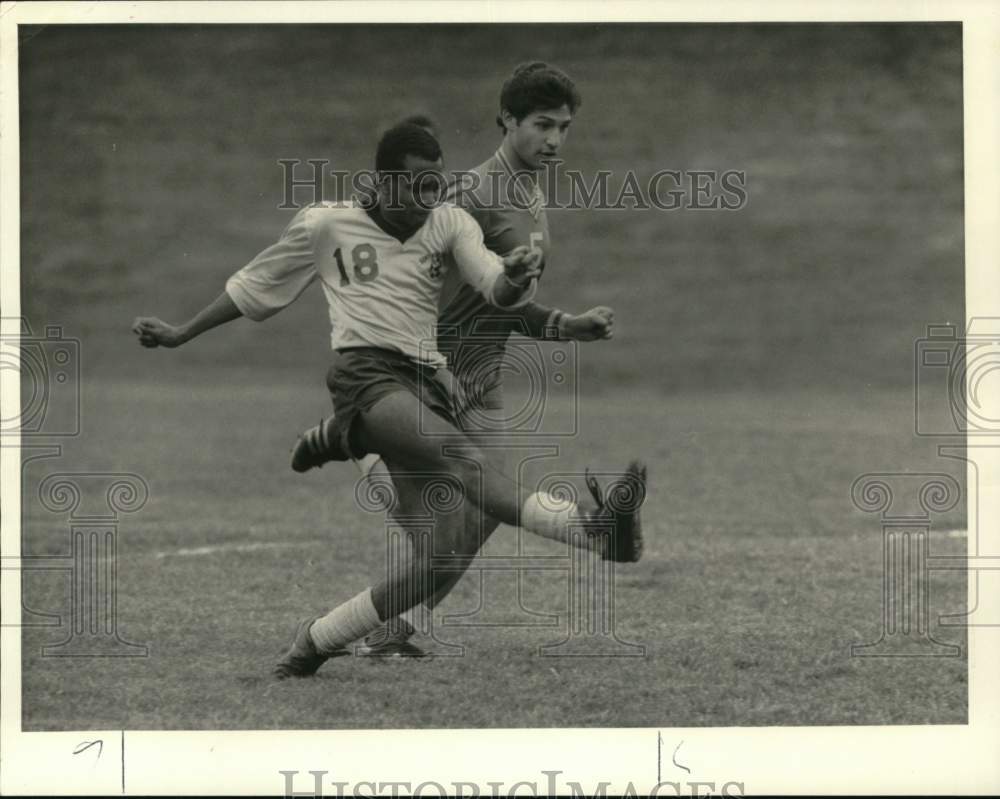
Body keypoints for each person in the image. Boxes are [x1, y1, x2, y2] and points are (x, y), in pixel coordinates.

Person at [132, 121, 646, 679]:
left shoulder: (449, 221)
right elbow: (254, 289)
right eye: (420, 185)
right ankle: (589, 529)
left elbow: (490, 285)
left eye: (437, 184)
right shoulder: (327, 224)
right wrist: (181, 332)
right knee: (464, 459)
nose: (432, 198)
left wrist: (514, 277)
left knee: (441, 557)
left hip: (429, 382)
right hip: (367, 376)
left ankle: (316, 639)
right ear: (383, 182)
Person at [291, 63, 639, 658]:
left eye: (564, 127)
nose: (554, 140)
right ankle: (345, 437)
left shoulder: (526, 193)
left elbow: (502, 303)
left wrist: (565, 326)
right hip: (429, 384)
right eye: (541, 124)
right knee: (458, 525)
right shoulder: (472, 196)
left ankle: (384, 632)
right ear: (506, 119)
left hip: (483, 384)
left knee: (483, 516)